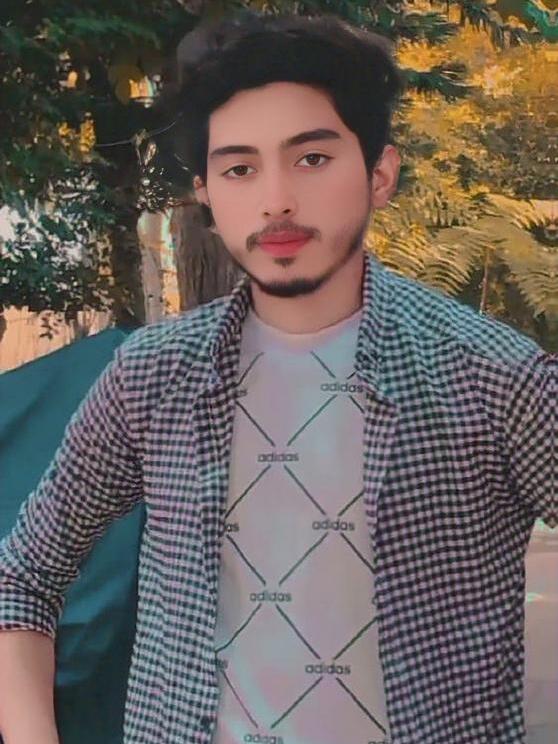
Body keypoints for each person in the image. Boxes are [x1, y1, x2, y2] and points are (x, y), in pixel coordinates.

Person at [0, 11, 556, 744]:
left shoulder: (492, 375)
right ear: (205, 191)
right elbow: (24, 577)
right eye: (240, 168)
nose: (276, 200)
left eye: (312, 158)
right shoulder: (151, 378)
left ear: (380, 173)